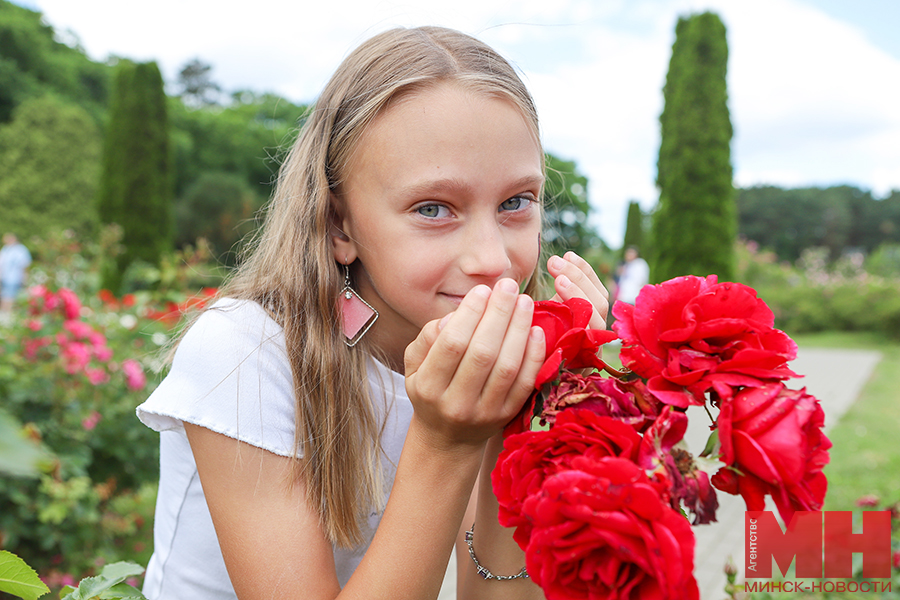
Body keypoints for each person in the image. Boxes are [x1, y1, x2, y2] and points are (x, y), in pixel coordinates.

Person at [136, 26, 609, 600]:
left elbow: (495, 589)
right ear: (340, 226)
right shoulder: (247, 352)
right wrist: (447, 442)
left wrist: (543, 409)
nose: (493, 261)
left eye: (516, 202)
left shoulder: (473, 355)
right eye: (433, 208)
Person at [0, 233, 32, 316]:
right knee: (6, 296)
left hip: (15, 277)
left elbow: (25, 265)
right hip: (5, 277)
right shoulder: (5, 249)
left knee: (9, 296)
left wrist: (25, 278)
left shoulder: (20, 250)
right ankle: (5, 314)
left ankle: (7, 315)